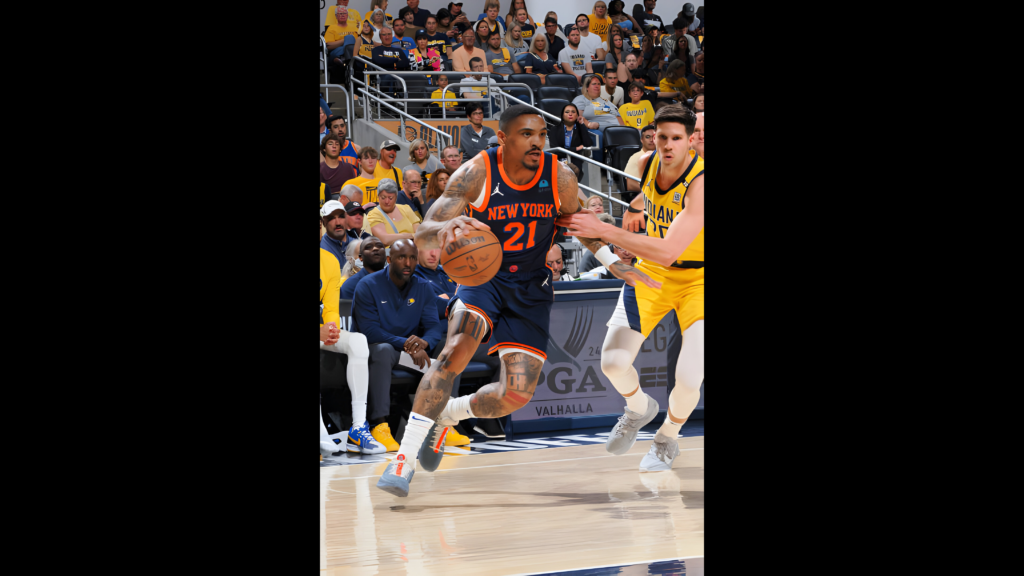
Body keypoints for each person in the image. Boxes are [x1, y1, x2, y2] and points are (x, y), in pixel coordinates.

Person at [376, 105, 659, 497]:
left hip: (531, 286)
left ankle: (449, 414)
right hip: (483, 279)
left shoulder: (559, 175)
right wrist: (445, 227)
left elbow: (579, 225)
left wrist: (613, 263)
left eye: (542, 134)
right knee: (456, 349)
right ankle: (402, 461)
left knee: (515, 394)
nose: (538, 142)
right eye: (527, 135)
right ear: (504, 138)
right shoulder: (477, 171)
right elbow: (424, 231)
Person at [556, 105, 703, 473]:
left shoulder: (700, 186)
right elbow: (643, 202)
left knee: (688, 378)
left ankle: (667, 437)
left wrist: (607, 230)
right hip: (651, 271)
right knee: (613, 362)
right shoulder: (643, 163)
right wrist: (632, 219)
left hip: (698, 279)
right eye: (662, 137)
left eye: (678, 138)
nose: (669, 145)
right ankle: (638, 407)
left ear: (691, 141)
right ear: (653, 137)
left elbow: (670, 251)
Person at [352, 239, 444, 453]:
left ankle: (437, 424)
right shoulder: (367, 285)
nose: (408, 263)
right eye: (402, 257)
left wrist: (425, 341)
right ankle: (379, 426)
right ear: (390, 259)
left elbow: (433, 327)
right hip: (377, 350)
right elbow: (370, 332)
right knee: (383, 349)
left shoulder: (423, 286)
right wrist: (408, 344)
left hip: (410, 353)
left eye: (412, 258)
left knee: (444, 361)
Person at [320, 232, 382, 457]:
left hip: (321, 332)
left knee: (358, 340)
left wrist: (332, 328)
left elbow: (331, 307)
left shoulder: (327, 259)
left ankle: (358, 428)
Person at [364, 179, 421, 248]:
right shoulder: (373, 214)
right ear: (378, 196)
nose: (387, 201)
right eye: (383, 197)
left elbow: (419, 234)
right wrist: (411, 235)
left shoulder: (406, 208)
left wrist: (399, 237)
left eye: (390, 198)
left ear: (396, 198)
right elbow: (385, 239)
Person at [341, 235, 387, 300]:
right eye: (368, 247)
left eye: (379, 246)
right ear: (360, 257)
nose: (375, 248)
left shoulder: (395, 280)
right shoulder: (351, 286)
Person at [552, 103, 593, 174]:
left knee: (574, 170)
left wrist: (582, 124)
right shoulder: (555, 129)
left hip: (575, 161)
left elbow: (588, 143)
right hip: (559, 160)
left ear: (577, 115)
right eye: (567, 112)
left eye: (573, 112)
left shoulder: (580, 128)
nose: (570, 114)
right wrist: (576, 148)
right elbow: (556, 150)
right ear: (562, 115)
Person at [320, 135, 358, 204]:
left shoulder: (348, 167)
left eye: (337, 144)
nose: (334, 146)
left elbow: (353, 191)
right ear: (324, 149)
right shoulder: (320, 168)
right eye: (330, 144)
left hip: (346, 205)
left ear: (340, 149)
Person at [623, 123, 655, 194]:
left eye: (654, 137)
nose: (651, 140)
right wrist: (651, 192)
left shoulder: (664, 156)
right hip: (645, 196)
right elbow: (630, 185)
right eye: (647, 137)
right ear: (642, 140)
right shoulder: (636, 157)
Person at [320, 200, 354, 267]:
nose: (338, 223)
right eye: (331, 218)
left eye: (341, 216)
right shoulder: (322, 249)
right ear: (324, 223)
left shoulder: (358, 244)